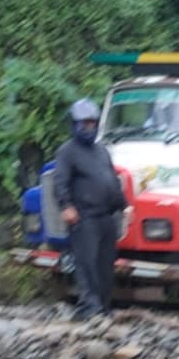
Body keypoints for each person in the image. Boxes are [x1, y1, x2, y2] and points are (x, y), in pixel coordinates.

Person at [52, 98, 128, 319]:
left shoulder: (102, 151)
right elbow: (60, 182)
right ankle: (89, 307)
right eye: (84, 123)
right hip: (84, 218)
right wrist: (66, 206)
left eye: (92, 123)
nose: (89, 127)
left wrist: (124, 206)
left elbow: (112, 181)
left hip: (106, 217)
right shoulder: (67, 152)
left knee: (105, 266)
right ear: (75, 125)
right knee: (87, 265)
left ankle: (104, 307)